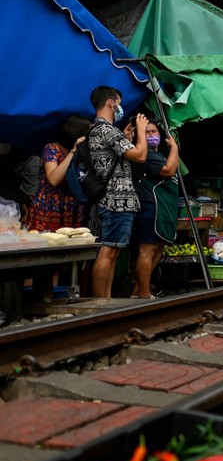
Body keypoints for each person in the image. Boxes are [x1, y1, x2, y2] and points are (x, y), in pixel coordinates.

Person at [88, 86, 148, 299]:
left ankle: (106, 300)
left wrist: (125, 137)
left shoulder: (100, 130)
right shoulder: (106, 130)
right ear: (111, 104)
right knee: (108, 251)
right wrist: (141, 130)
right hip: (116, 200)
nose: (121, 107)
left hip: (115, 199)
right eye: (119, 102)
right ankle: (100, 302)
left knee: (112, 251)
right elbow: (140, 155)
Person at [130, 120, 179, 300]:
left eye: (154, 131)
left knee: (157, 251)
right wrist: (174, 147)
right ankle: (144, 294)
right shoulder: (147, 154)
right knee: (147, 250)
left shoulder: (157, 154)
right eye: (147, 132)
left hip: (162, 208)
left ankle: (138, 291)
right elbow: (168, 171)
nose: (152, 135)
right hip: (151, 207)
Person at [27, 115, 92, 232]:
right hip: (49, 206)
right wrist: (74, 151)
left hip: (71, 208)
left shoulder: (84, 154)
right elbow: (53, 179)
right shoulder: (51, 149)